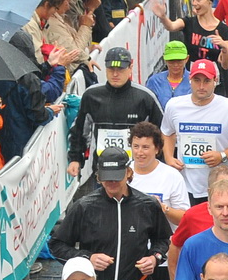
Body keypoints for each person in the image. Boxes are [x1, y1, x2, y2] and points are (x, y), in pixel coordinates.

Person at [46, 147, 172, 280]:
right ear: (98, 177)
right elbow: (57, 245)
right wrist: (87, 258)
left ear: (129, 173)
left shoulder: (147, 205)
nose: (111, 184)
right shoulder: (84, 207)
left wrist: (154, 258)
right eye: (106, 179)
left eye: (117, 178)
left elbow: (162, 240)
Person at [163, 60, 228, 203]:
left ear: (215, 81)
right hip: (186, 185)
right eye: (197, 80)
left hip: (221, 185)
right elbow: (167, 132)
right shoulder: (174, 106)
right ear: (190, 80)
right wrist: (169, 157)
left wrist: (222, 155)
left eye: (207, 81)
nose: (201, 86)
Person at [68, 46, 165, 180]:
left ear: (130, 68)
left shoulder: (145, 97)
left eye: (120, 69)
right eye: (111, 69)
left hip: (138, 172)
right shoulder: (91, 95)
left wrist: (160, 164)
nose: (115, 74)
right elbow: (79, 131)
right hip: (103, 171)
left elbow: (163, 133)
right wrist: (75, 159)